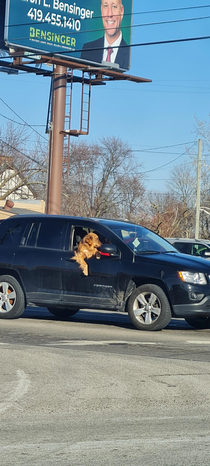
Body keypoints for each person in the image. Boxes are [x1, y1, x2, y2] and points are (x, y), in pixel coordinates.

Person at [81, 0, 130, 70]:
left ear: (121, 11)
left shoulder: (130, 55)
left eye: (114, 6)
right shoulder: (88, 49)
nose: (109, 14)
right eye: (106, 6)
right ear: (101, 9)